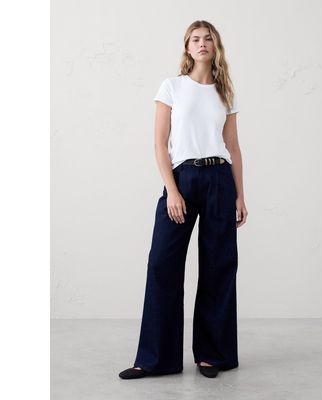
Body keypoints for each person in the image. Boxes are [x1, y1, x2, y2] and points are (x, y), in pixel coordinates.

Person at [119, 20, 248, 380]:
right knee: (163, 264)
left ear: (215, 46)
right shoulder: (172, 87)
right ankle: (155, 359)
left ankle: (212, 355)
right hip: (183, 179)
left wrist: (240, 194)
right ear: (187, 48)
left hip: (220, 178)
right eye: (195, 39)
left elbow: (234, 147)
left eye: (208, 38)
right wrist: (172, 190)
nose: (202, 43)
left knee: (219, 266)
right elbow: (160, 144)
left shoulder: (225, 92)